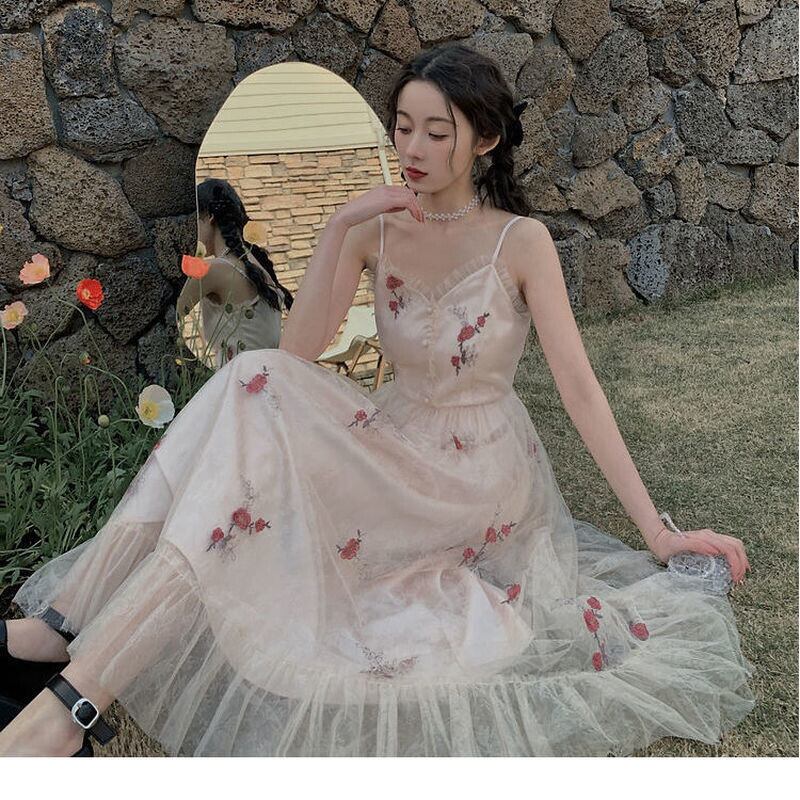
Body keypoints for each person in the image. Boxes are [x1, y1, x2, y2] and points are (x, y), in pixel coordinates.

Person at [0, 43, 754, 757]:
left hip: (477, 477)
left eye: (437, 132)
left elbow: (580, 388)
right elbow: (294, 357)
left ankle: (68, 669)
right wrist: (340, 227)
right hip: (395, 440)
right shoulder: (378, 230)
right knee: (245, 403)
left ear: (485, 140)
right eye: (403, 127)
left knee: (241, 447)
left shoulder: (520, 242)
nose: (414, 148)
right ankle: (69, 663)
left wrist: (658, 532)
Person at [177, 178, 294, 369]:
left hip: (237, 380)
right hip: (270, 376)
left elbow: (171, 316)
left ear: (210, 217)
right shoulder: (258, 264)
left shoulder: (214, 270)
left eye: (193, 221)